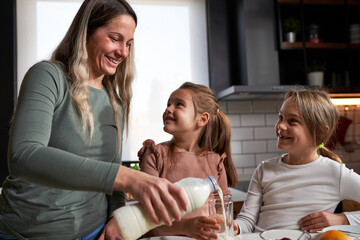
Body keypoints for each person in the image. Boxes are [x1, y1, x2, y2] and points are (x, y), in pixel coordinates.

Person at [0, 0, 188, 239]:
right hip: (29, 232)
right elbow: (23, 155)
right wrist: (129, 177)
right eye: (115, 38)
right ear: (86, 32)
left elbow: (113, 185)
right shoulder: (49, 77)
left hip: (95, 233)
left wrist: (117, 218)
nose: (124, 52)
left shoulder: (115, 103)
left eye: (129, 43)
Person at [233, 88, 360, 235]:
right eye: (280, 117)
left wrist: (341, 219)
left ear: (320, 132)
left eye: (292, 120)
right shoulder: (264, 169)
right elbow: (247, 220)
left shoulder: (335, 172)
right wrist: (234, 226)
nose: (280, 126)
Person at [138, 82, 239, 239]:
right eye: (168, 104)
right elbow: (145, 220)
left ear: (202, 119)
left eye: (179, 104)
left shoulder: (215, 162)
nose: (168, 109)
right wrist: (186, 227)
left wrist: (227, 225)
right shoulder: (154, 156)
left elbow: (222, 214)